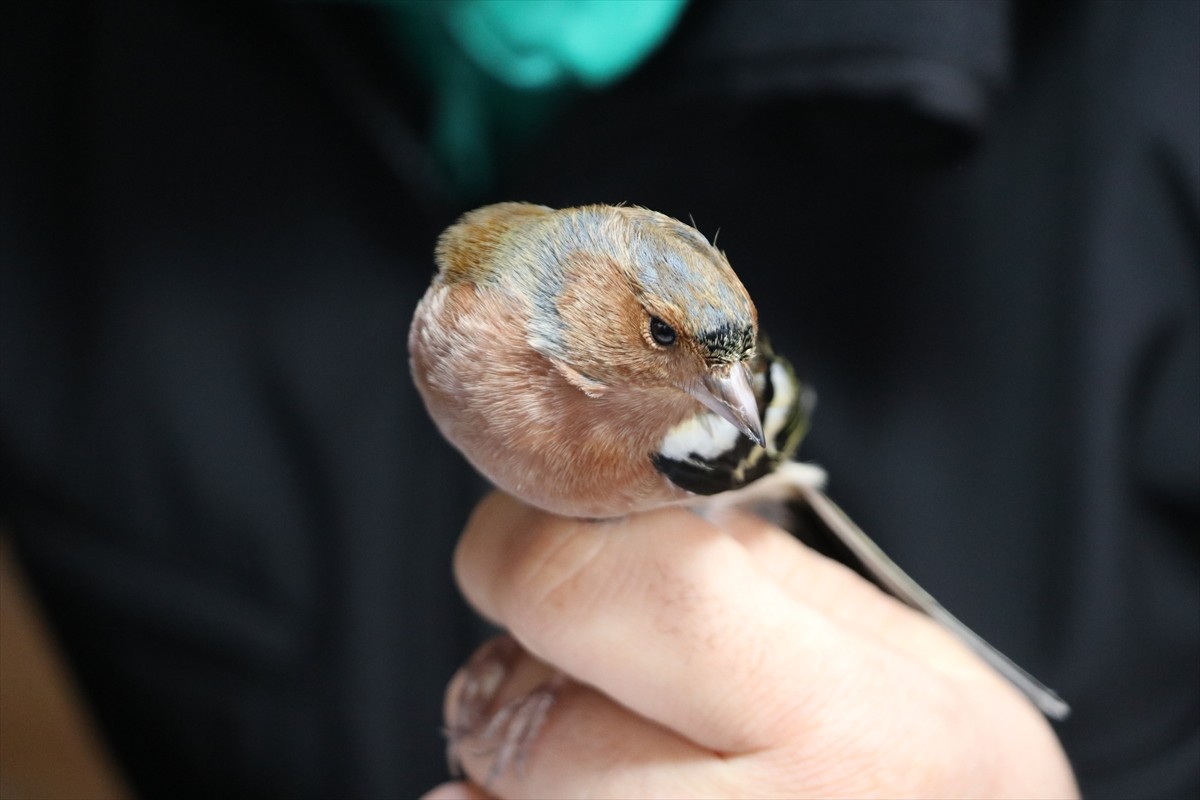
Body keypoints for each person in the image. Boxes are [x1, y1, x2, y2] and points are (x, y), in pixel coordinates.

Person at [2, 2, 1196, 798]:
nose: (726, 393)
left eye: (728, 364)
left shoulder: (1149, 86)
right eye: (673, 337)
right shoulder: (461, 300)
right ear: (588, 302)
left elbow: (748, 414)